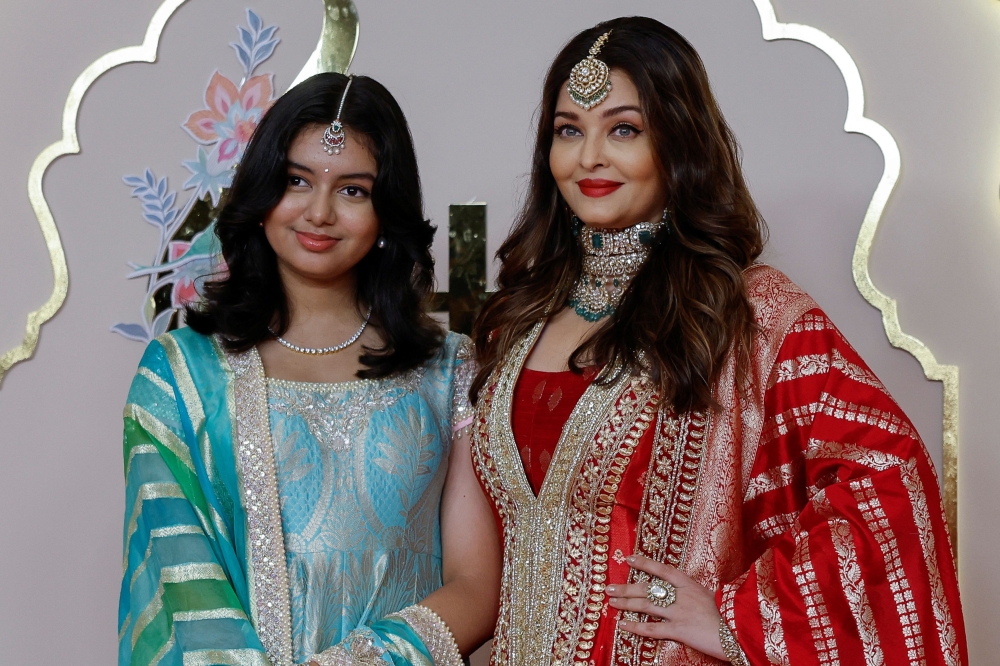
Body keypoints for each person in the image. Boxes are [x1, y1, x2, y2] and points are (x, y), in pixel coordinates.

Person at [470, 17, 966, 666]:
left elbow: (889, 483)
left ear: (677, 142)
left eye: (624, 129)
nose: (589, 156)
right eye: (569, 130)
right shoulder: (519, 320)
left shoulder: (744, 312)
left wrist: (741, 618)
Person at [119, 72, 500, 666]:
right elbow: (177, 592)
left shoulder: (448, 369)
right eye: (296, 181)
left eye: (353, 190)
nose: (318, 212)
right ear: (261, 191)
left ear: (384, 214)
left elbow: (477, 586)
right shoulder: (179, 378)